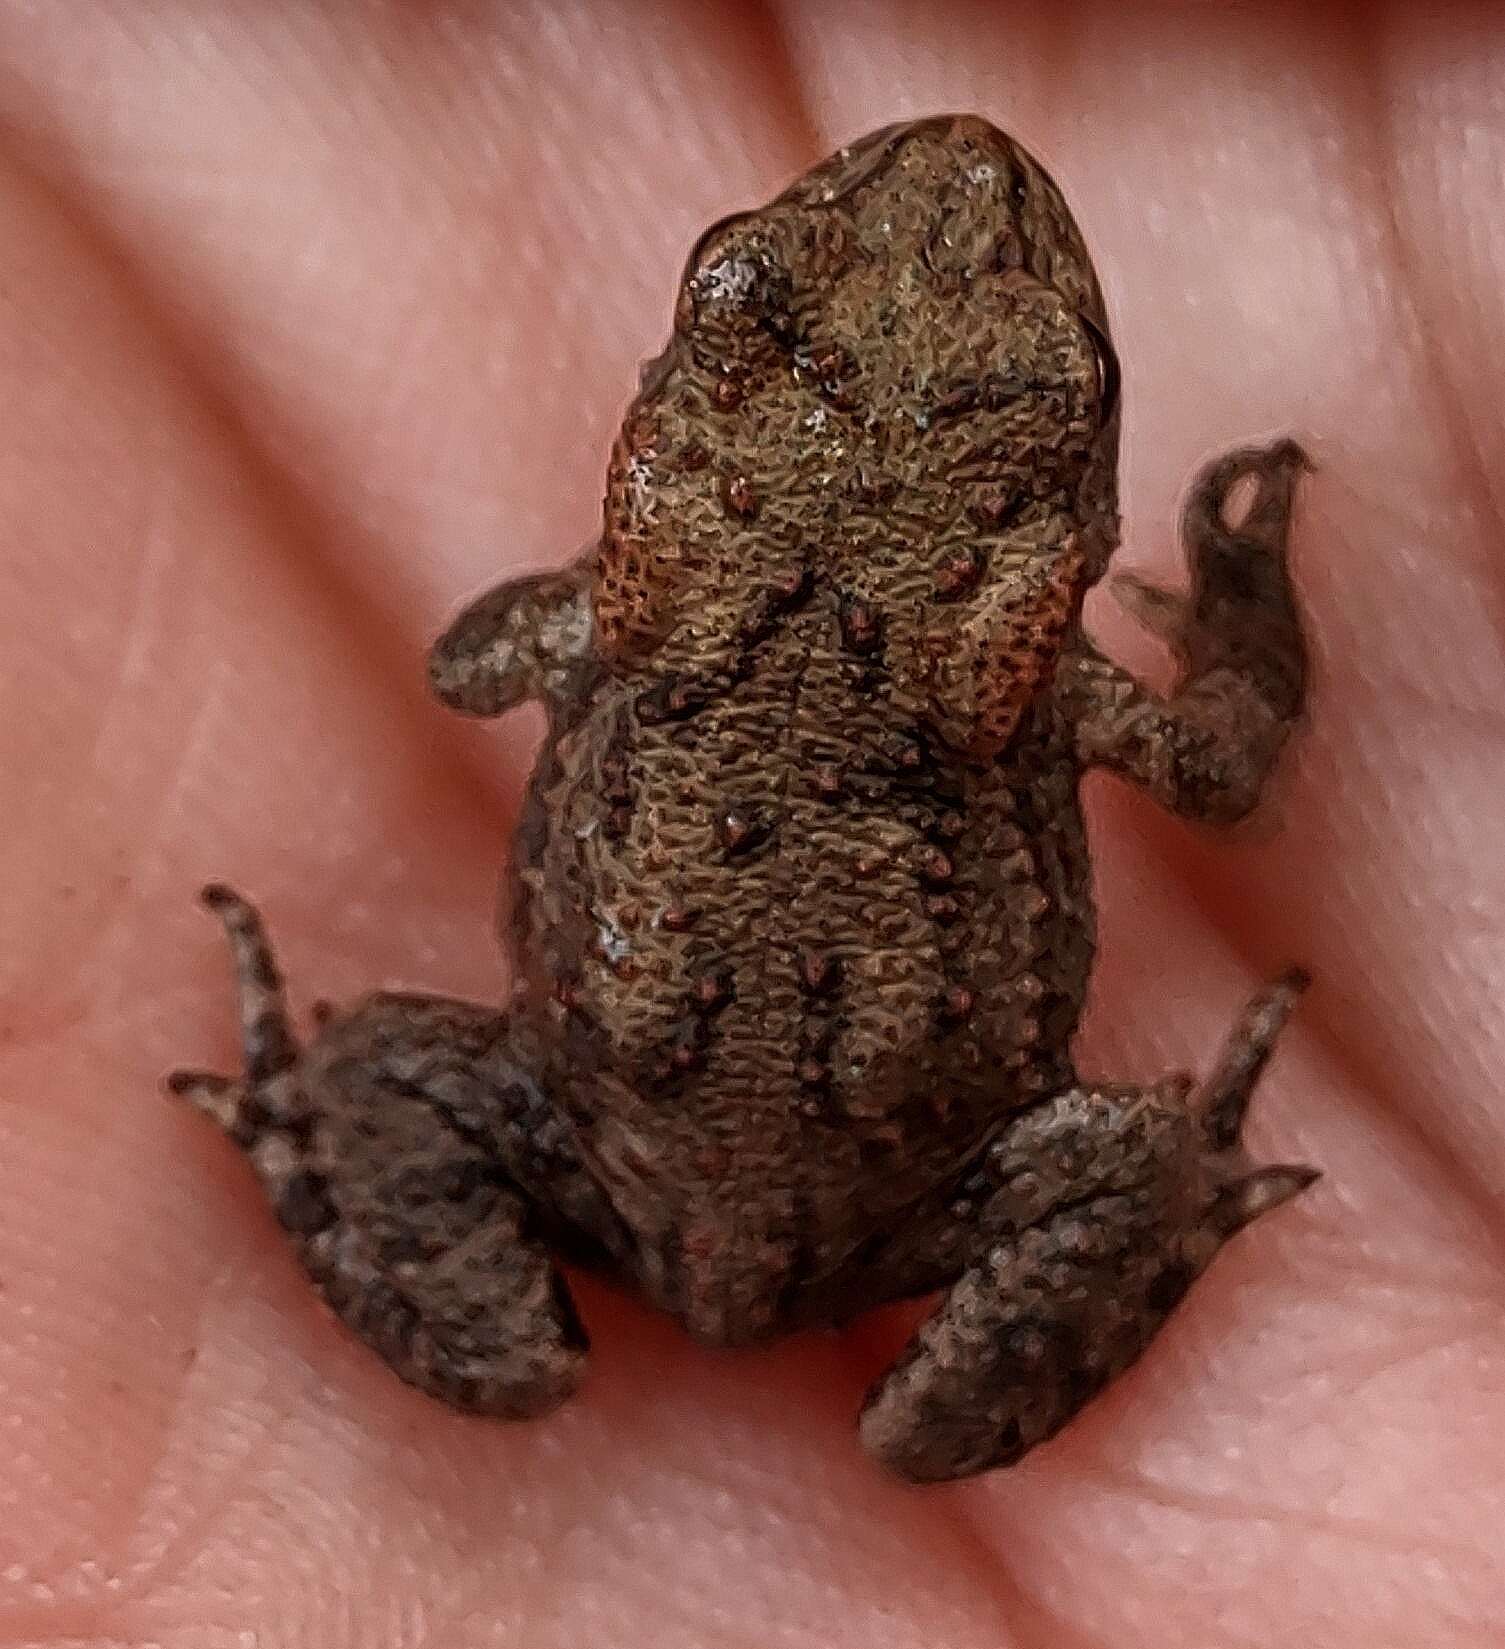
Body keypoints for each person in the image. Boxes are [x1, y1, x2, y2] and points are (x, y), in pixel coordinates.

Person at [2, 6, 1500, 1643]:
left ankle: (293, 1128)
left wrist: (618, 605)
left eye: (1046, 395)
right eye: (742, 289)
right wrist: (1245, 621)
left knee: (360, 1074)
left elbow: (458, 664)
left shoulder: (719, 639)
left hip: (766, 1156)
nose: (961, 179)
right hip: (686, 1135)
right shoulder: (1052, 685)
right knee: (1137, 1161)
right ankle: (1187, 1193)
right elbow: (1225, 769)